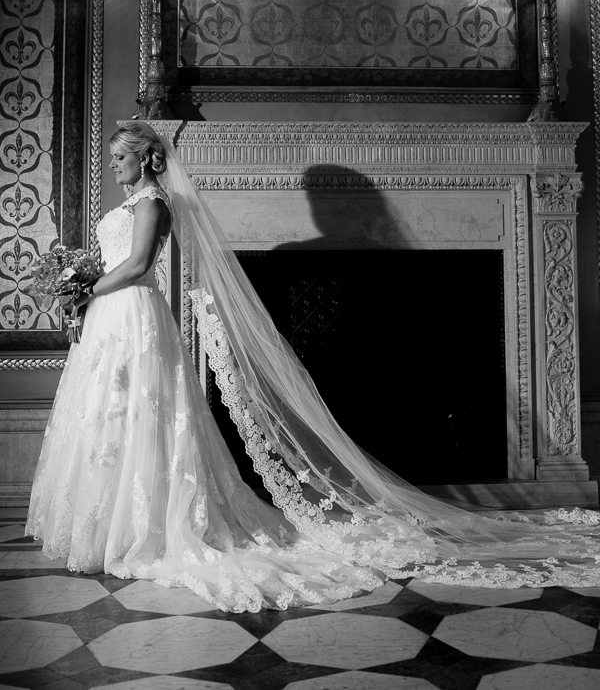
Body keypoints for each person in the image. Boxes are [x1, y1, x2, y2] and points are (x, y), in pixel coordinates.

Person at [26, 122, 600, 612]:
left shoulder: (152, 202)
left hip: (130, 311)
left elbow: (140, 263)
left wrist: (87, 290)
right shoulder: (127, 204)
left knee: (142, 415)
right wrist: (85, 294)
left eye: (120, 159)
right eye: (112, 160)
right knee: (109, 414)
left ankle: (146, 528)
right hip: (110, 316)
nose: (114, 168)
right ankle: (107, 529)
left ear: (146, 158)